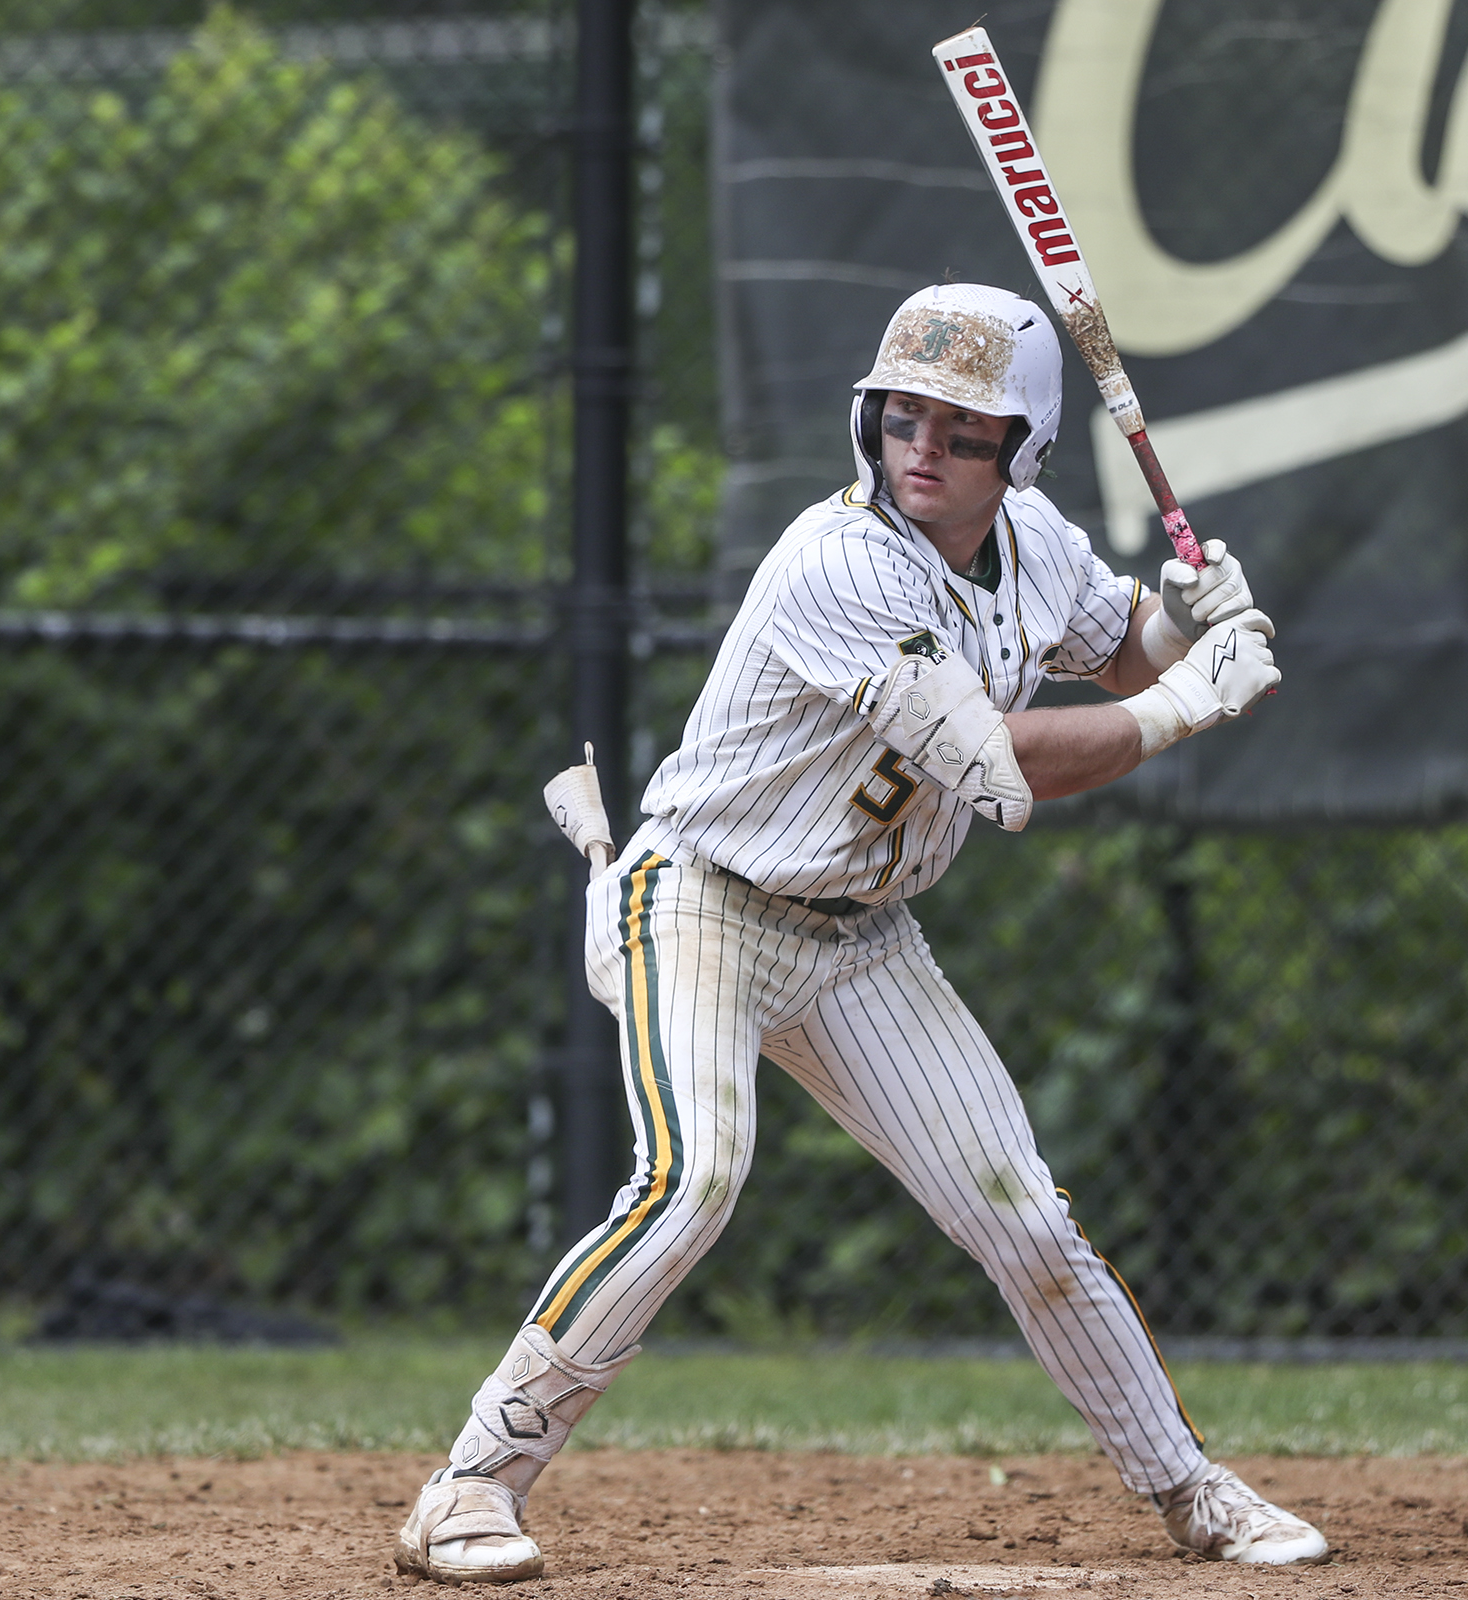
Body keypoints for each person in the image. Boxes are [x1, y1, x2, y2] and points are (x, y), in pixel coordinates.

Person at [395, 283, 1322, 1583]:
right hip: (702, 899)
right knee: (693, 1179)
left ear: (1024, 451)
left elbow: (1118, 653)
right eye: (900, 416)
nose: (920, 449)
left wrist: (1182, 615)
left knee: (1027, 1220)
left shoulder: (1037, 542)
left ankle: (1192, 1493)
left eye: (960, 427)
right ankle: (469, 1490)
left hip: (863, 940)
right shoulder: (838, 562)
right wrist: (1190, 704)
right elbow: (997, 771)